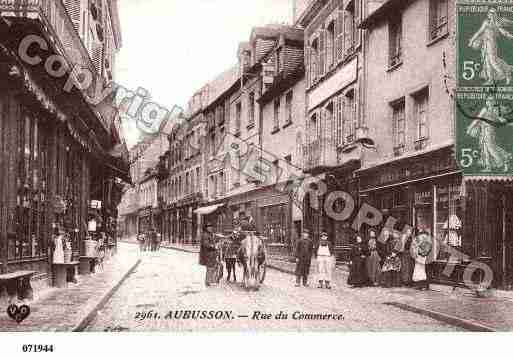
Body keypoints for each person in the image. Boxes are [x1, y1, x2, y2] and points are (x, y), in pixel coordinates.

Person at [469, 8, 513, 85]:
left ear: (495, 15)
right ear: (489, 15)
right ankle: (491, 79)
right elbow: (479, 32)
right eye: (490, 14)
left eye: (493, 14)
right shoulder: (486, 22)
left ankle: (506, 74)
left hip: (492, 44)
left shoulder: (496, 24)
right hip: (485, 44)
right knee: (487, 61)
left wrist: (510, 36)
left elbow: (504, 32)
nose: (491, 15)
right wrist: (472, 40)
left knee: (493, 61)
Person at [199, 222, 219, 286]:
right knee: (209, 267)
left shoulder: (210, 234)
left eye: (211, 227)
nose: (210, 228)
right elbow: (206, 244)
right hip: (207, 253)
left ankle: (210, 280)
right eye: (209, 227)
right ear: (206, 228)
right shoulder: (205, 235)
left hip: (211, 253)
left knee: (212, 266)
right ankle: (208, 281)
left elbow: (213, 240)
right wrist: (214, 246)